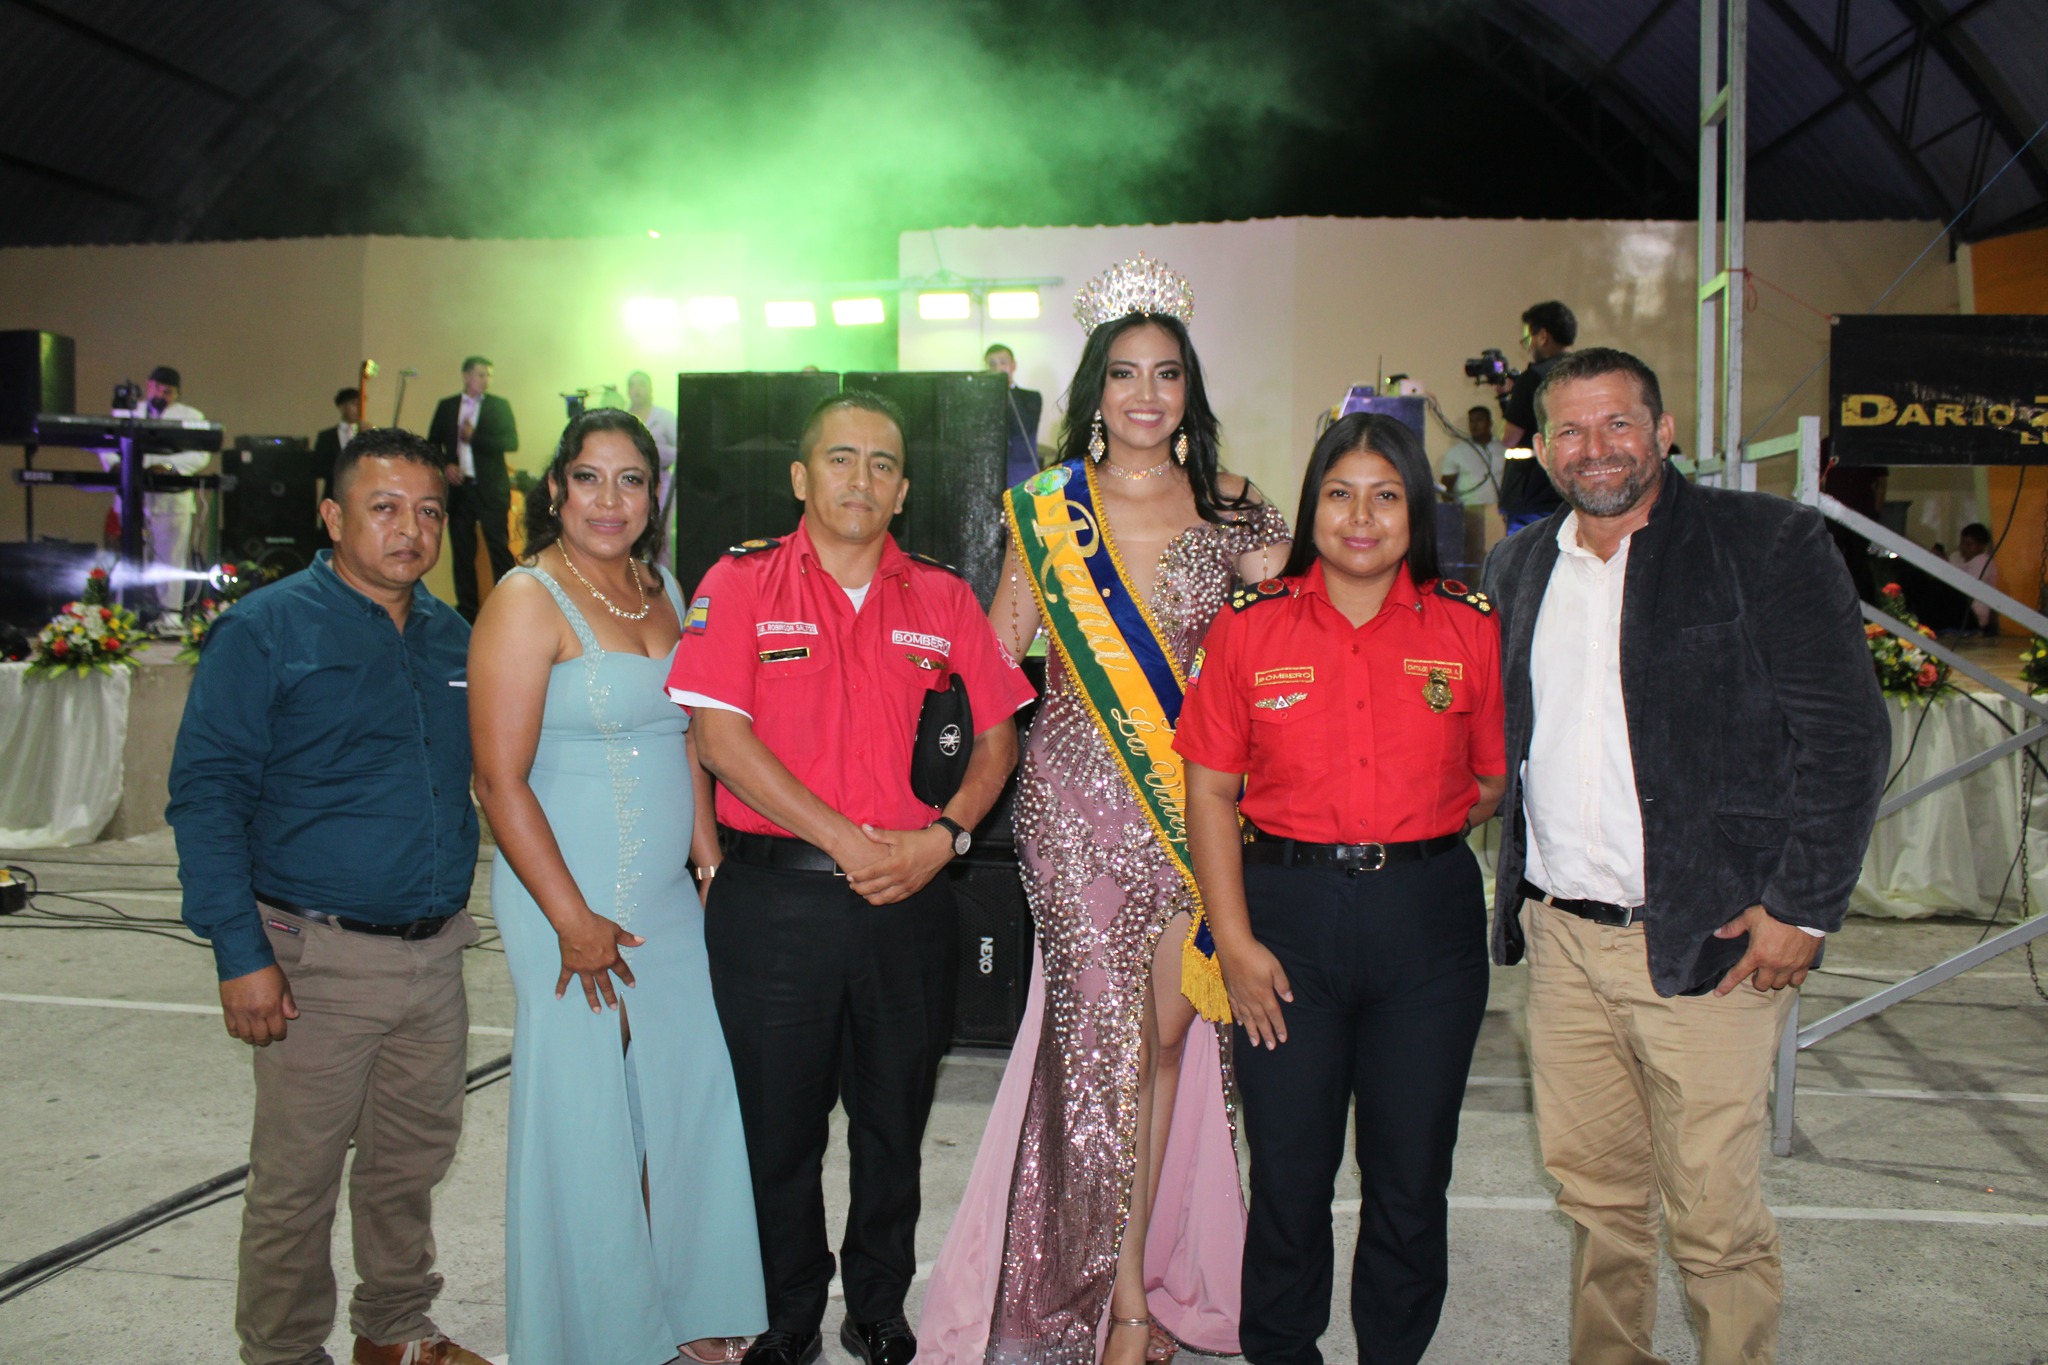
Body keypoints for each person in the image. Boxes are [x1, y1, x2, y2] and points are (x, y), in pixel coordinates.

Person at [1480, 348, 1889, 1365]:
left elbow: (1846, 738)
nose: (1596, 448)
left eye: (1617, 423)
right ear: (1542, 450)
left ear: (1663, 431)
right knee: (1596, 1200)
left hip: (1711, 941)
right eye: (1570, 430)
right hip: (1561, 938)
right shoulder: (1518, 568)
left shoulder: (1764, 542)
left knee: (1712, 1217)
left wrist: (1801, 907)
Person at [920, 254, 1292, 1365]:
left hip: (1197, 808)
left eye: (1166, 374)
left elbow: (1300, 633)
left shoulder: (1237, 509)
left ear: (1189, 390)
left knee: (1168, 1043)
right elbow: (999, 657)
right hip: (1075, 805)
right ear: (1094, 389)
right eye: (1124, 373)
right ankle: (1118, 1301)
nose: (1145, 394)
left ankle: (1142, 1269)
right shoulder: (1045, 510)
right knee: (1099, 1050)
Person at [666, 390, 1035, 1365]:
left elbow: (996, 741)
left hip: (910, 899)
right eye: (839, 458)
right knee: (775, 1130)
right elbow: (719, 740)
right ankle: (786, 1313)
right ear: (801, 476)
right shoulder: (739, 584)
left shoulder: (944, 599)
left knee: (892, 1126)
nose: (860, 478)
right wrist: (848, 842)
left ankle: (875, 1306)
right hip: (775, 904)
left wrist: (943, 841)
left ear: (903, 489)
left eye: (881, 463)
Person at [1175, 412, 1504, 1365]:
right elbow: (1210, 791)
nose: (1361, 517)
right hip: (1287, 927)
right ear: (1311, 505)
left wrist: (1408, 828)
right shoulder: (1250, 626)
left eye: (1386, 495)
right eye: (1340, 494)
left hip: (1427, 928)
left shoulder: (1466, 626)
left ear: (1416, 511)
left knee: (1411, 1173)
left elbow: (1489, 780)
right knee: (1289, 1171)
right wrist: (1235, 943)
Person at [167, 427, 488, 1365]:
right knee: (296, 1182)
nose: (410, 530)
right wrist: (240, 953)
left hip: (434, 955)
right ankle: (282, 1351)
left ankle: (393, 1329)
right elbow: (206, 795)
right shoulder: (266, 630)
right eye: (384, 507)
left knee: (408, 1165)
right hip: (314, 957)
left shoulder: (456, 639)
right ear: (333, 516)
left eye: (428, 511)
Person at [470, 409, 766, 1365]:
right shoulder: (525, 598)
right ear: (556, 489)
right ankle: (598, 1333)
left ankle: (689, 1303)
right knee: (586, 1107)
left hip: (665, 893)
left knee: (687, 1088)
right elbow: (497, 780)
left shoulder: (662, 587)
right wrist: (571, 917)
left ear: (654, 494)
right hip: (563, 890)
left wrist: (709, 862)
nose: (610, 499)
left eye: (630, 479)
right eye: (589, 478)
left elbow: (687, 739)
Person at [109, 364, 209, 613]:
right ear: (148, 386)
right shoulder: (129, 412)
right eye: (158, 389)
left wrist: (168, 466)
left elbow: (200, 455)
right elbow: (108, 446)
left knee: (171, 560)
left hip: (172, 501)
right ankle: (125, 614)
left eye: (168, 392)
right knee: (129, 558)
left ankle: (169, 615)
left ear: (177, 394)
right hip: (134, 499)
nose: (161, 396)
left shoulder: (191, 416)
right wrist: (119, 465)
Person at [428, 356, 520, 622]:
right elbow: (432, 443)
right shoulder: (447, 406)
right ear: (466, 376)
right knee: (462, 553)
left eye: (488, 375)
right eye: (481, 375)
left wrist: (475, 437)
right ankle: (467, 614)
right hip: (460, 490)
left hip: (490, 488)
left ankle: (509, 606)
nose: (486, 380)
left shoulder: (498, 406)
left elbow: (511, 442)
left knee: (499, 548)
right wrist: (446, 465)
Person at [1491, 301, 1576, 534]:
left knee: (1528, 554)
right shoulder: (1586, 373)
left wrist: (1506, 399)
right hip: (1574, 492)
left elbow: (1509, 438)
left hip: (1532, 495)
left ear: (1543, 336)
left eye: (1528, 339)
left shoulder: (1533, 378)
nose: (1528, 347)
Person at [626, 370, 681, 568]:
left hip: (662, 482)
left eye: (641, 384)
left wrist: (655, 451)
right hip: (629, 483)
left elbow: (684, 451)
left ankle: (661, 578)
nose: (637, 389)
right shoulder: (623, 418)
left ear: (650, 389)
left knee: (660, 534)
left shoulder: (665, 417)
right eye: (632, 385)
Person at [985, 343, 1044, 487]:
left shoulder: (1031, 397)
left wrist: (1007, 389)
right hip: (991, 473)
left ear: (1013, 365)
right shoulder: (983, 401)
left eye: (1003, 362)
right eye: (992, 364)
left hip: (1021, 473)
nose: (998, 368)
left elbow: (1024, 426)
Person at [1439, 405, 1504, 508]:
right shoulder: (1457, 452)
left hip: (1499, 509)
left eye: (1479, 420)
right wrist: (1454, 511)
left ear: (1490, 423)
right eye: (1471, 421)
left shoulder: (1503, 448)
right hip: (1469, 509)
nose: (1474, 425)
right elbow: (1445, 488)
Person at [312, 387, 362, 503]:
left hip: (361, 497)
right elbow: (318, 468)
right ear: (342, 407)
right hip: (333, 495)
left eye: (361, 405)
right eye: (354, 404)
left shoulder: (367, 434)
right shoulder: (326, 436)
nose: (359, 409)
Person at [1947, 521, 1999, 631]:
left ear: (1982, 546)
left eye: (1969, 544)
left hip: (1974, 615)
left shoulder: (1983, 561)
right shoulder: (1955, 557)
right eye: (1962, 542)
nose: (1963, 547)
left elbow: (1966, 588)